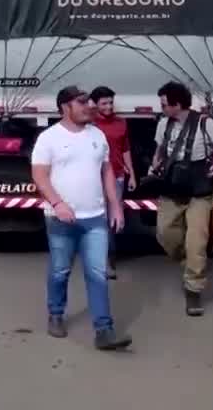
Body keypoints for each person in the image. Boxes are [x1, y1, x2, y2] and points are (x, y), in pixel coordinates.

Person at [31, 85, 132, 351]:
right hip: (60, 218)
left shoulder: (97, 135)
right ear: (66, 107)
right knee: (60, 270)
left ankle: (104, 330)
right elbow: (39, 175)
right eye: (82, 102)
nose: (89, 106)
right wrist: (58, 203)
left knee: (97, 273)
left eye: (88, 101)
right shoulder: (48, 138)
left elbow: (107, 171)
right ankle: (55, 313)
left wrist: (115, 205)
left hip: (95, 218)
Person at [149, 80, 213, 317]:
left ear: (177, 104)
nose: (162, 108)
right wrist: (155, 164)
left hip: (199, 190)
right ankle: (190, 262)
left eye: (165, 104)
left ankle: (193, 288)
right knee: (165, 234)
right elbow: (160, 149)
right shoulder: (163, 124)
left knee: (197, 240)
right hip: (171, 186)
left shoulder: (207, 124)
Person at [90, 86, 135, 278]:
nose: (108, 106)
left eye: (110, 102)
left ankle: (110, 259)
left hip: (116, 175)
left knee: (112, 220)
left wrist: (131, 173)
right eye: (104, 103)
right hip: (93, 177)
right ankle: (100, 260)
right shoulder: (89, 124)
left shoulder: (121, 123)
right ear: (95, 104)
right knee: (97, 219)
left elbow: (125, 149)